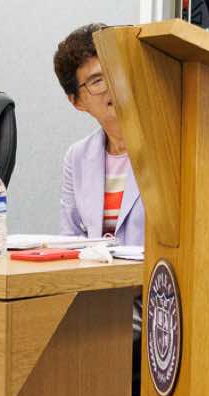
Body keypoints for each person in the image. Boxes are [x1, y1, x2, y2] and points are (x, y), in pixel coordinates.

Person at [53, 23, 143, 246]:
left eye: (116, 71)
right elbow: (70, 239)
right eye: (97, 80)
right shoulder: (77, 157)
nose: (112, 85)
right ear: (77, 102)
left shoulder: (167, 145)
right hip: (96, 269)